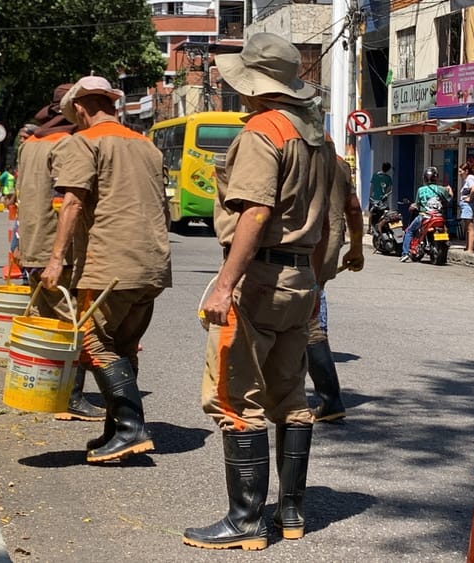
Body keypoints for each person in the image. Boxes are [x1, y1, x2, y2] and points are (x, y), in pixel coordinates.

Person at [182, 32, 332, 552]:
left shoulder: (262, 132)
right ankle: (290, 513)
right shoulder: (317, 137)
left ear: (253, 86)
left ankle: (246, 521)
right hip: (300, 280)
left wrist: (225, 284)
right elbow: (329, 219)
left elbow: (256, 211)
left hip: (259, 280)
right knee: (290, 396)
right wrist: (314, 281)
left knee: (232, 397)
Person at [43, 75, 172, 463]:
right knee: (125, 345)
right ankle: (117, 431)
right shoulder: (146, 144)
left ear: (80, 109)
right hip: (151, 263)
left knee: (94, 343)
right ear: (112, 105)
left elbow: (73, 204)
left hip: (109, 265)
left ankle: (132, 428)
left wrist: (55, 259)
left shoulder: (84, 142)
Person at [15, 84, 105, 422]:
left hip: (33, 245)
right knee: (72, 321)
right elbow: (70, 200)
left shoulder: (31, 142)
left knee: (46, 319)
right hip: (60, 249)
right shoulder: (68, 144)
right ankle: (71, 397)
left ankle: (45, 389)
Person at [308, 156, 364, 423]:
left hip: (295, 252)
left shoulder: (290, 150)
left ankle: (328, 398)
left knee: (303, 325)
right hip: (327, 252)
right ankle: (329, 398)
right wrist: (356, 247)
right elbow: (352, 208)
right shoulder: (340, 164)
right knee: (312, 314)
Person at [400, 166, 452, 262]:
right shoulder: (441, 189)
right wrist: (450, 190)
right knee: (445, 230)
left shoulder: (421, 190)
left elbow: (417, 204)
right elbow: (449, 199)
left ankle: (405, 253)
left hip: (425, 216)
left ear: (425, 178)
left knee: (409, 231)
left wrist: (413, 206)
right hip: (439, 216)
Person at [458, 163, 474, 252]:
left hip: (468, 206)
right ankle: (467, 247)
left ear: (466, 171)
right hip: (466, 205)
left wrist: (469, 198)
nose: (459, 174)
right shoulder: (467, 180)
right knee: (467, 227)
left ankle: (470, 249)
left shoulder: (470, 178)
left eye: (460, 171)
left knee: (470, 227)